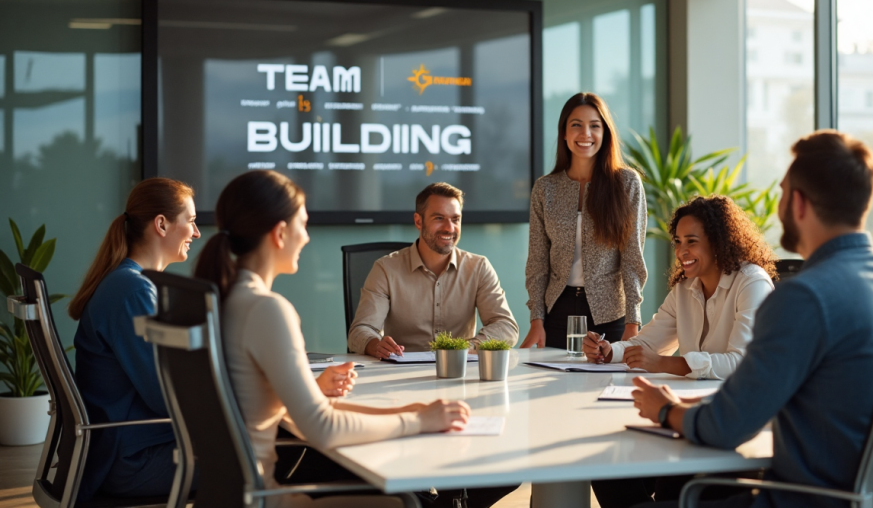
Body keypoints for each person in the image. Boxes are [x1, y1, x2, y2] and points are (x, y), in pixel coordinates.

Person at [629, 131, 873, 508]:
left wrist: (666, 409)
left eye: (784, 192)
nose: (779, 204)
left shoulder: (803, 299)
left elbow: (727, 427)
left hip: (809, 499)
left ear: (799, 204)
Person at [193, 171, 512, 508]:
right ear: (280, 233)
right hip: (268, 498)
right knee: (403, 502)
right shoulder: (267, 310)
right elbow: (323, 427)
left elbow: (276, 405)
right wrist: (418, 420)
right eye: (303, 225)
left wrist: (410, 410)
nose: (306, 237)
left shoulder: (227, 299)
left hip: (228, 493)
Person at [585, 195, 775, 507]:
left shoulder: (752, 283)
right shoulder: (685, 289)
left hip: (726, 422)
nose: (681, 251)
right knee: (607, 467)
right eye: (678, 241)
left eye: (692, 241)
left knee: (641, 475)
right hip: (684, 414)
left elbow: (742, 363)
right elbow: (648, 341)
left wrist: (666, 364)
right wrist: (610, 351)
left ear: (719, 242)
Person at [69, 177, 201, 501]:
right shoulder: (132, 290)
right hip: (129, 461)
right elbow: (166, 396)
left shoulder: (129, 284)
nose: (196, 233)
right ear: (161, 224)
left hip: (126, 446)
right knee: (264, 456)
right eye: (192, 222)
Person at [521, 92, 647, 349]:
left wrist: (633, 322)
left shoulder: (627, 184)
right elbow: (537, 262)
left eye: (594, 126)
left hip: (610, 316)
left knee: (604, 388)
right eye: (576, 125)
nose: (585, 134)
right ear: (564, 133)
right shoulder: (545, 189)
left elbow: (633, 259)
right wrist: (536, 319)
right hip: (556, 314)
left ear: (605, 134)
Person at [348, 182, 519, 359]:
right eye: (439, 218)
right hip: (401, 374)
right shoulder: (386, 269)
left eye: (455, 219)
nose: (449, 228)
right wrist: (375, 345)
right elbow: (360, 331)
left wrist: (464, 348)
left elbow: (506, 326)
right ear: (418, 221)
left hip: (460, 373)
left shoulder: (479, 267)